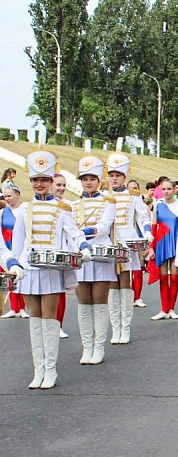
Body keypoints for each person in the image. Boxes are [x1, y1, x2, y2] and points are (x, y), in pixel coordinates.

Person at [12, 139, 92, 388]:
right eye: (35, 180)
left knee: (49, 319)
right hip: (30, 268)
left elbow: (75, 233)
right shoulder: (24, 209)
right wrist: (15, 265)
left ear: (50, 181)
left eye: (44, 180)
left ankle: (51, 369)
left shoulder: (62, 208)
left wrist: (84, 247)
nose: (39, 184)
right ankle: (38, 370)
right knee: (34, 320)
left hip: (51, 268)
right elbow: (17, 243)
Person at [72, 147, 117, 365]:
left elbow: (103, 226)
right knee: (83, 301)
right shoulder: (72, 205)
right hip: (81, 254)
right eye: (85, 179)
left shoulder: (108, 202)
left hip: (100, 253)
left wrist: (82, 232)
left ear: (99, 180)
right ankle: (86, 347)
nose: (88, 182)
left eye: (92, 178)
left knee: (99, 301)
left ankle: (99, 347)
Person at [106, 140, 153, 344]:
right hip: (108, 241)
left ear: (124, 177)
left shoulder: (132, 196)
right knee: (111, 286)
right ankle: (115, 328)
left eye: (118, 175)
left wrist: (148, 232)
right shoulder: (103, 196)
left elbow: (143, 217)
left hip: (128, 241)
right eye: (112, 175)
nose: (114, 179)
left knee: (125, 284)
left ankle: (125, 328)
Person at [147, 179, 178, 320]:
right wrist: (151, 247)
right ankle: (164, 309)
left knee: (174, 278)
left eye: (169, 189)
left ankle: (172, 308)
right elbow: (153, 227)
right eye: (163, 189)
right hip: (161, 243)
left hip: (175, 244)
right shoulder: (158, 205)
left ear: (174, 189)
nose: (166, 192)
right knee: (163, 278)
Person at [1, 184, 29, 319]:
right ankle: (13, 308)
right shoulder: (2, 212)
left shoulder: (25, 210)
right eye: (5, 196)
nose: (7, 199)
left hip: (22, 248)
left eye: (9, 195)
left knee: (21, 276)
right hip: (7, 248)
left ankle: (22, 308)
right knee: (10, 278)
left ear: (18, 194)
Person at [52, 174, 71, 337]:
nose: (61, 188)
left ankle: (58, 325)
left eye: (64, 185)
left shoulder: (67, 206)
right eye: (58, 184)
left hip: (62, 253)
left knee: (60, 290)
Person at [127, 179, 148, 308]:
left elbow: (146, 220)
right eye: (130, 188)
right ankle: (127, 295)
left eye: (135, 187)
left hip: (138, 239)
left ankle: (137, 297)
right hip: (125, 239)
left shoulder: (142, 205)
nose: (132, 190)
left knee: (138, 267)